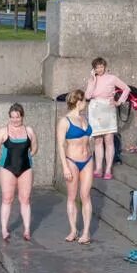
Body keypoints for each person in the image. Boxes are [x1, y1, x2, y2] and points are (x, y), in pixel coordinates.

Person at [0, 103, 37, 243]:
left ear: (22, 116)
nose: (15, 120)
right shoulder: (3, 131)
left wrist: (29, 155)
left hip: (25, 168)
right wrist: (3, 159)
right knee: (7, 198)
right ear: (9, 117)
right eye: (12, 117)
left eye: (18, 117)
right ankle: (4, 229)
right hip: (8, 168)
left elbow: (34, 148)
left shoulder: (29, 130)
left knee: (25, 199)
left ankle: (27, 229)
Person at [83, 57, 131, 181]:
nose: (100, 69)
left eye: (101, 66)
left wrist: (119, 102)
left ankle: (108, 169)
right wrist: (93, 80)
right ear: (93, 68)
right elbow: (88, 96)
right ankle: (98, 168)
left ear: (105, 66)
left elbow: (126, 89)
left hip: (108, 109)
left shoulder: (112, 78)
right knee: (98, 140)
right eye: (97, 67)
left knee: (108, 139)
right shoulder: (92, 79)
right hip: (95, 109)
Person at [58, 90, 96, 244]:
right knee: (72, 197)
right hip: (72, 161)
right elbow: (61, 145)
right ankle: (73, 230)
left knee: (85, 195)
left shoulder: (84, 118)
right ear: (78, 102)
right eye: (85, 101)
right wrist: (65, 167)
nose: (86, 104)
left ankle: (86, 233)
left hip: (87, 160)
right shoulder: (65, 121)